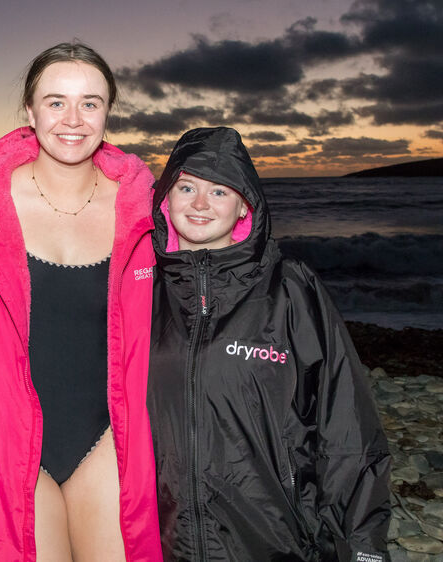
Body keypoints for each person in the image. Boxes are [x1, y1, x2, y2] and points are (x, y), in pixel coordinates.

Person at [0, 41, 162, 561]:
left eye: (90, 103)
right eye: (55, 102)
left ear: (108, 113)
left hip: (109, 438)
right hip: (11, 441)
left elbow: (216, 281)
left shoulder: (146, 210)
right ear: (30, 111)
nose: (73, 119)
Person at [147, 127, 391, 561]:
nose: (200, 204)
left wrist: (362, 547)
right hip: (164, 545)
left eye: (220, 192)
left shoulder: (291, 289)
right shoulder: (140, 290)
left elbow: (346, 425)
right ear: (165, 198)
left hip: (277, 543)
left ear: (245, 207)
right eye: (187, 187)